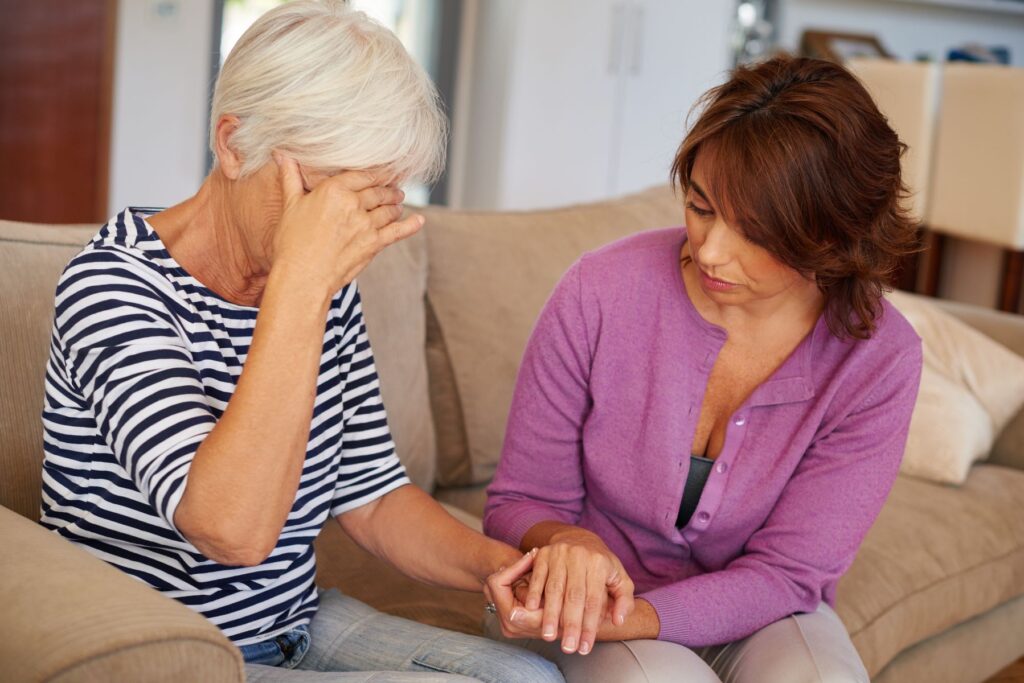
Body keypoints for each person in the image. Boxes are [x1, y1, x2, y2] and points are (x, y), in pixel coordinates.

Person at [39, 2, 561, 681]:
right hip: (169, 649)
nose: (341, 229)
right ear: (233, 144)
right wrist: (301, 285)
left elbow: (372, 497)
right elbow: (231, 528)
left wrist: (503, 568)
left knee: (532, 677)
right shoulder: (114, 288)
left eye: (369, 201)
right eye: (322, 195)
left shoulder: (324, 286)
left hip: (296, 623)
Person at [482, 55, 923, 683]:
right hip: (583, 604)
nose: (711, 250)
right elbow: (519, 500)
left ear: (833, 235)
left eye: (756, 231)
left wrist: (642, 616)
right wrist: (568, 544)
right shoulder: (599, 291)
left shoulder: (880, 359)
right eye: (701, 206)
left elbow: (789, 571)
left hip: (758, 609)